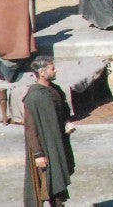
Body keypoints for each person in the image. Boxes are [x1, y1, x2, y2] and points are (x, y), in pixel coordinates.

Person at [23, 56, 75, 207]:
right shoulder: (34, 97)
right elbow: (30, 129)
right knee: (50, 182)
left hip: (57, 144)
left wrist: (66, 123)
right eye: (52, 68)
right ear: (42, 72)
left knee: (58, 181)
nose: (55, 70)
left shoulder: (55, 90)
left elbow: (62, 112)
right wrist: (38, 154)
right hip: (44, 147)